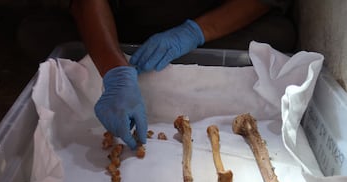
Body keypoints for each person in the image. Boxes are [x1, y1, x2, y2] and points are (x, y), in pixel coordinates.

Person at [66, 0, 294, 150]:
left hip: (213, 14)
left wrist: (196, 32)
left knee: (276, 38)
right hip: (130, 18)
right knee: (45, 38)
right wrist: (114, 70)